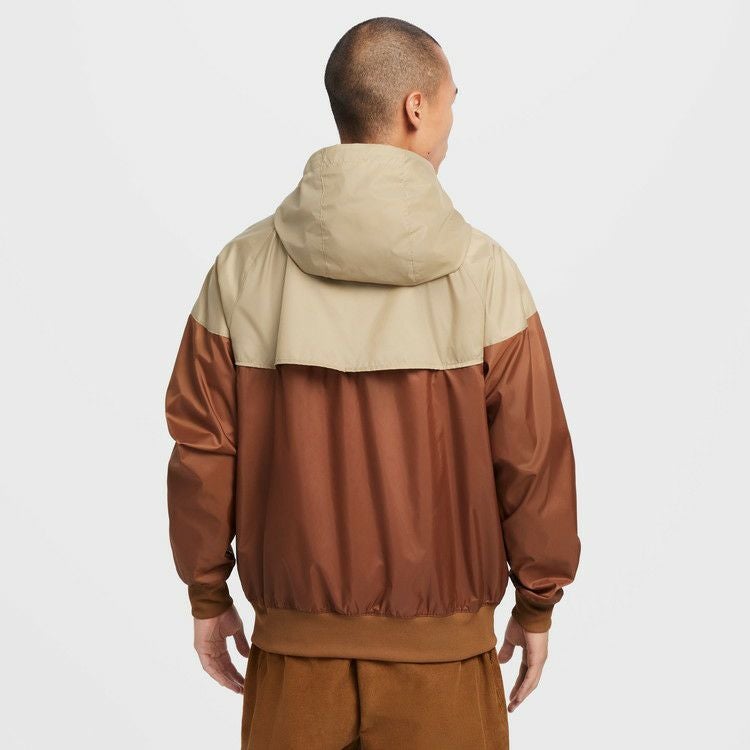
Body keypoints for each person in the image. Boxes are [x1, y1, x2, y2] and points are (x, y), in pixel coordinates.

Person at [165, 16, 580, 749]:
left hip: (294, 662)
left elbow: (203, 449)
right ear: (416, 107)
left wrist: (207, 593)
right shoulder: (484, 274)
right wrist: (536, 603)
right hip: (446, 665)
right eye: (450, 101)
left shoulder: (242, 270)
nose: (451, 123)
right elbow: (532, 453)